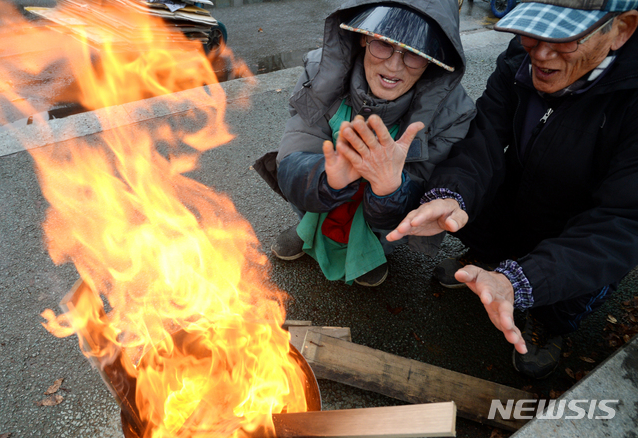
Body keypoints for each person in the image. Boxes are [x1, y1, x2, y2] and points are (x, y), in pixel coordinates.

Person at [384, 0, 638, 378]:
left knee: (567, 290)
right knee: (472, 204)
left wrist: (525, 280)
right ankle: (488, 258)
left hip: (580, 228)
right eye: (531, 33)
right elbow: (485, 133)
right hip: (521, 195)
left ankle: (548, 320)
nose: (540, 52)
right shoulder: (520, 55)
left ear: (621, 29)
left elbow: (622, 222)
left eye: (564, 38)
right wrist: (450, 195)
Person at [255, 0, 476, 287]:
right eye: (383, 44)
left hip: (382, 217)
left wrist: (389, 190)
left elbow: (422, 195)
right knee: (310, 179)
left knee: (395, 202)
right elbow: (294, 151)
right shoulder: (321, 71)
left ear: (434, 58)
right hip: (321, 195)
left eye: (415, 53)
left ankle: (373, 249)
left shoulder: (455, 112)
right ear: (363, 36)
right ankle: (308, 226)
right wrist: (324, 178)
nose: (394, 66)